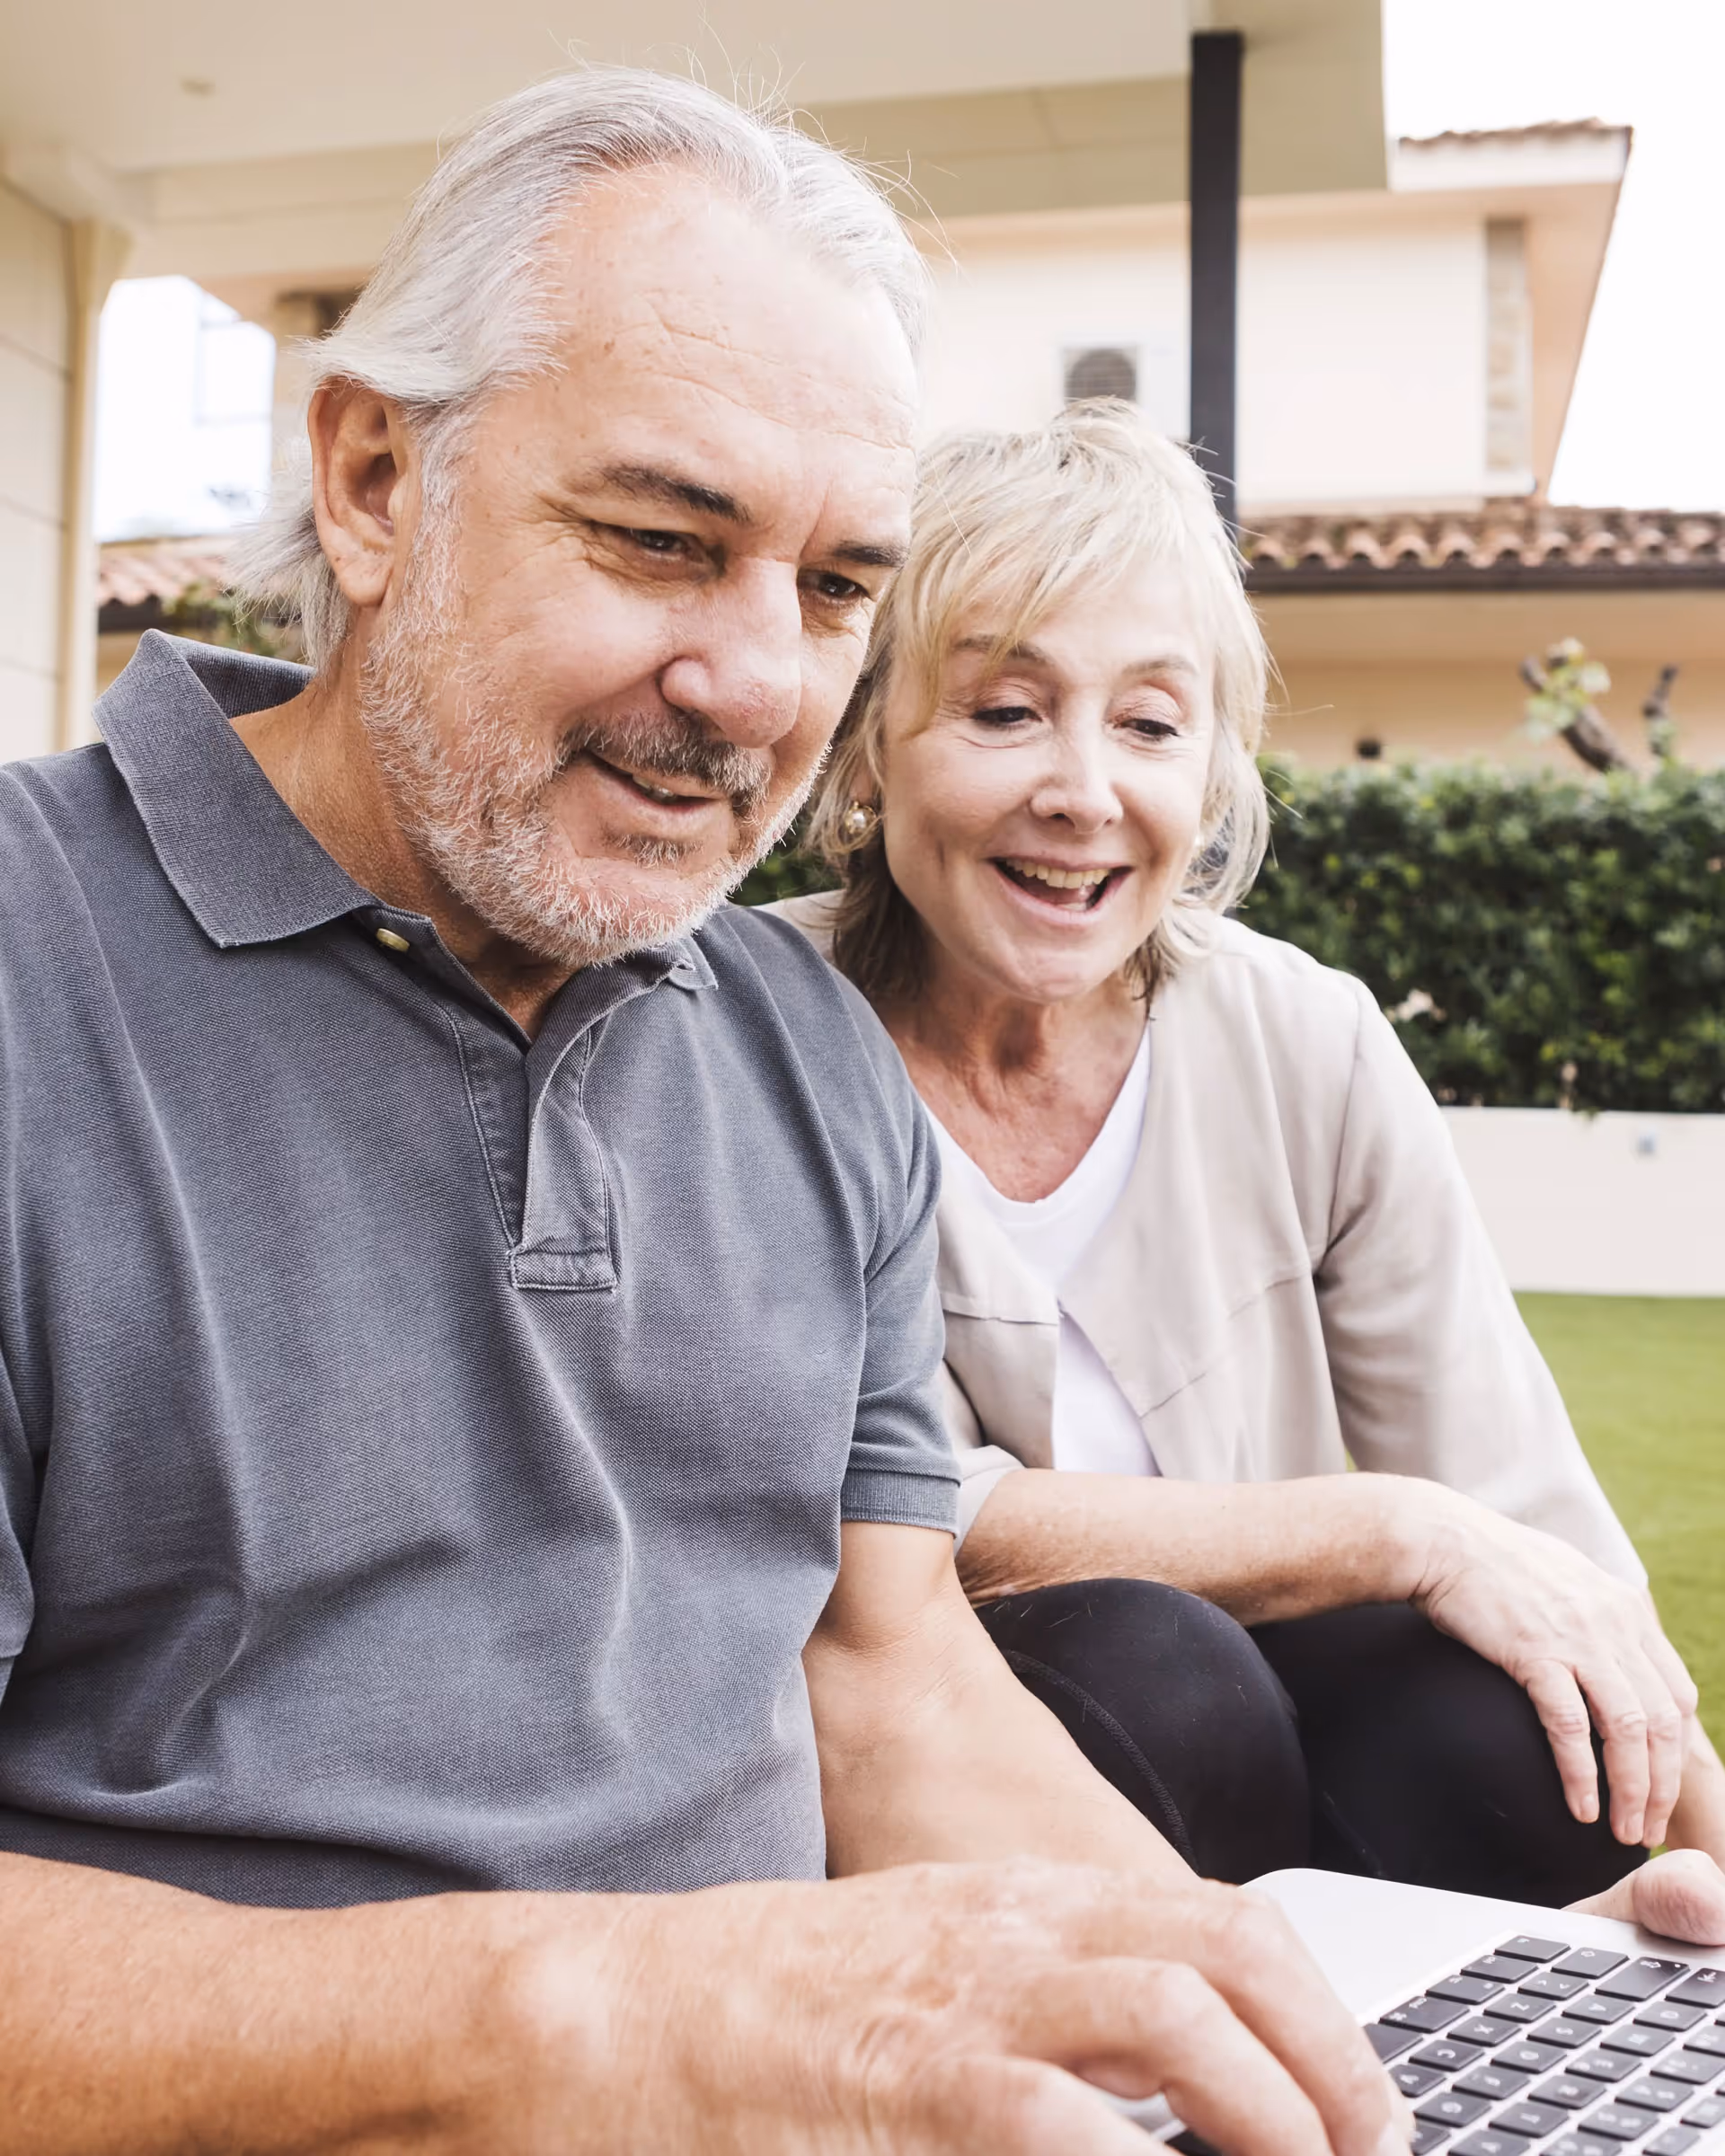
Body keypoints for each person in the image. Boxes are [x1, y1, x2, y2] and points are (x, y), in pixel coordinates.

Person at [0, 71, 1438, 2156]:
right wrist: (619, 2011)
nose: (761, 686)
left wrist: (1310, 2056)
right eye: (666, 542)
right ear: (376, 477)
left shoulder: (798, 1042)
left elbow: (889, 1676)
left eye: (840, 589)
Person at [774, 402, 1725, 1902]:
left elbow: (1522, 1511)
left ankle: (1441, 2057)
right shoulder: (747, 1038)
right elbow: (898, 1521)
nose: (1085, 790)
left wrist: (1694, 1814)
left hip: (1258, 1712)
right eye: (1005, 710)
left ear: (1209, 775)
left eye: (1152, 724)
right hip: (939, 1747)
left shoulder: (1308, 1036)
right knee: (1163, 1668)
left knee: (1514, 1708)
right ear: (869, 745)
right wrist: (1388, 1526)